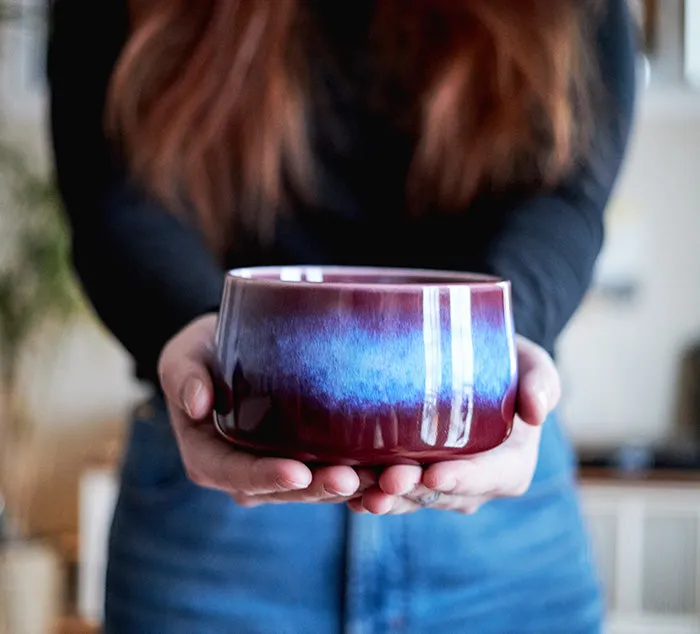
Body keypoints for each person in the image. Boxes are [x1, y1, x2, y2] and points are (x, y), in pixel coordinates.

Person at [47, 0, 636, 632]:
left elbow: (569, 189)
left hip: (495, 483)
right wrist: (200, 330)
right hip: (219, 498)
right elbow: (112, 190)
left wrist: (508, 332)